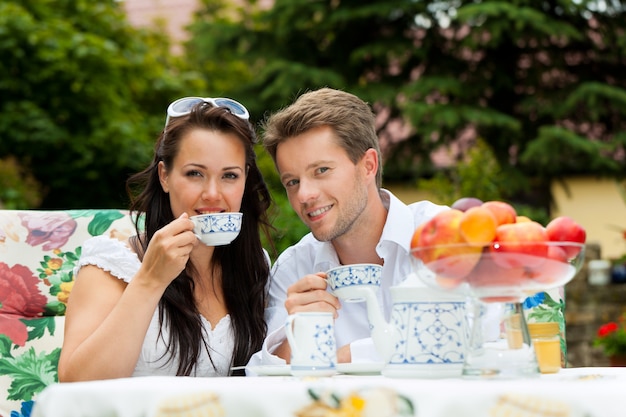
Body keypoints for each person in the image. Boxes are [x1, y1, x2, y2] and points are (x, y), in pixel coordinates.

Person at [58, 97, 273, 381]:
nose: (212, 193)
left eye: (229, 176)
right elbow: (76, 386)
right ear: (164, 176)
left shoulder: (255, 266)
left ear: (244, 180)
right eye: (195, 173)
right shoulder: (111, 264)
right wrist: (150, 280)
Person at [247, 87, 447, 367]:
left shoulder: (441, 235)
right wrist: (296, 336)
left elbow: (475, 337)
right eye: (292, 181)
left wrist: (348, 357)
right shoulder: (294, 268)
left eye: (321, 171)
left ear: (368, 166)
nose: (304, 195)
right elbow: (260, 382)